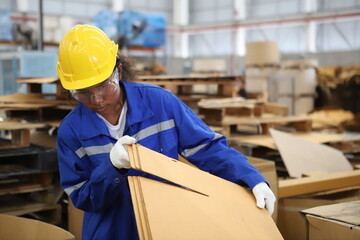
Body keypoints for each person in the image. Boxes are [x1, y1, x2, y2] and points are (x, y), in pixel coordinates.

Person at [56, 24, 276, 240]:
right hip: (110, 232)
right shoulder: (71, 131)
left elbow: (207, 148)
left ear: (119, 71)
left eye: (104, 86)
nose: (96, 99)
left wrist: (252, 178)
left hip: (164, 226)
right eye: (83, 93)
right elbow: (82, 197)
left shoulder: (159, 103)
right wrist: (112, 169)